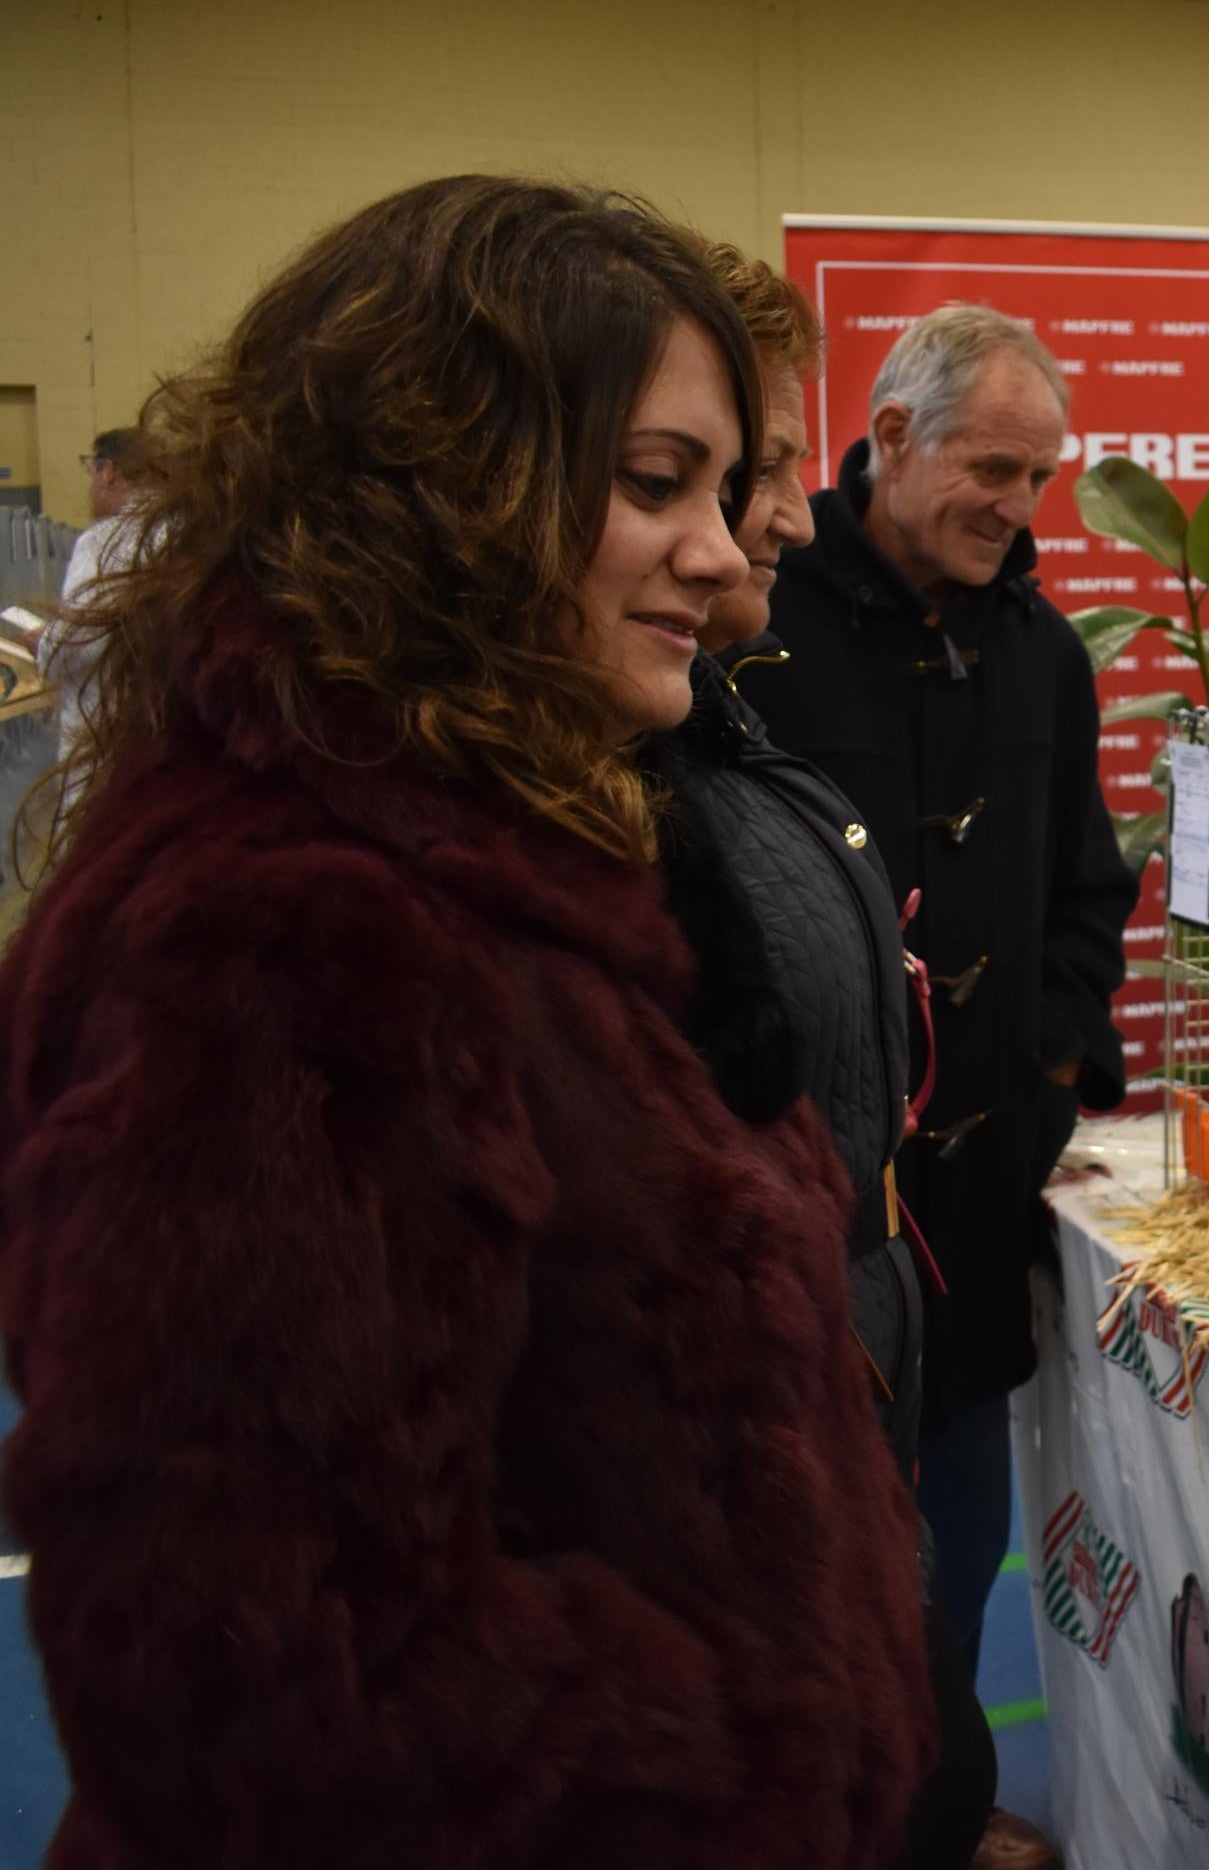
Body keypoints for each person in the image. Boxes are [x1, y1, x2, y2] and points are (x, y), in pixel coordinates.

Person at [0, 175, 933, 1867]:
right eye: (657, 485)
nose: (724, 554)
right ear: (449, 485)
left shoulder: (525, 839)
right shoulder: (289, 931)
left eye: (724, 489)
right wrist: (742, 1760)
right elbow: (244, 1665)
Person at [751, 302, 1136, 1870]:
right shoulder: (755, 618)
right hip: (797, 1210)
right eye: (993, 467)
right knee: (794, 1558)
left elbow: (1084, 891)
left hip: (972, 1208)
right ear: (891, 438)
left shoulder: (1042, 650)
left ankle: (937, 1815)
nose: (1018, 507)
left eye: (1041, 479)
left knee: (958, 1550)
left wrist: (1046, 1063)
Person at [653, 242, 998, 1870]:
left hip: (855, 1337)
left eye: (756, 474)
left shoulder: (700, 723)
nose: (759, 520)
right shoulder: (617, 766)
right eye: (693, 477)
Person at [46, 426, 146, 755]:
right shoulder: (182, 530)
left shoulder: (103, 541)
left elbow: (78, 637)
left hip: (100, 726)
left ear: (109, 473)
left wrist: (43, 643)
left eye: (90, 469)